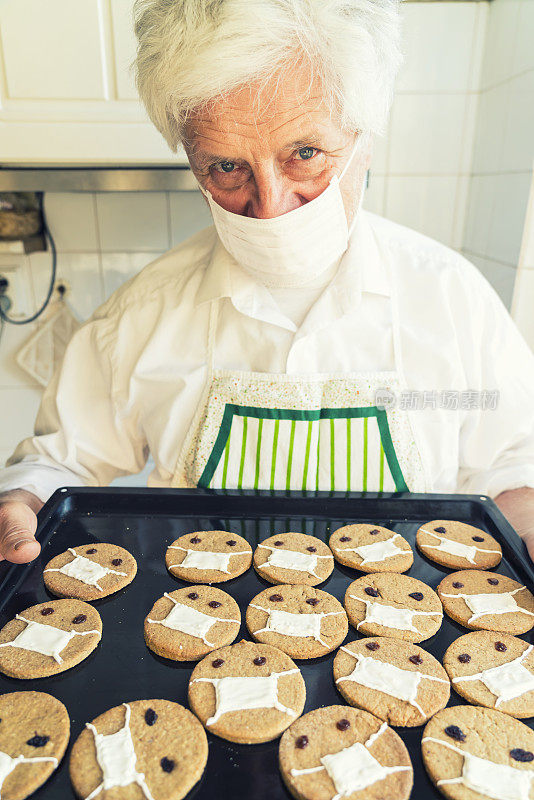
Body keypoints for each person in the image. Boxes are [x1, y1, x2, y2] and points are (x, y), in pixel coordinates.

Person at [1, 0, 534, 566]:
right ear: (191, 158)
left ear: (366, 137)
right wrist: (19, 501)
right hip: (199, 630)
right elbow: (59, 464)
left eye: (305, 153)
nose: (272, 209)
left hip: (407, 636)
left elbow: (511, 467)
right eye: (227, 168)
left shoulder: (453, 301)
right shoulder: (141, 315)